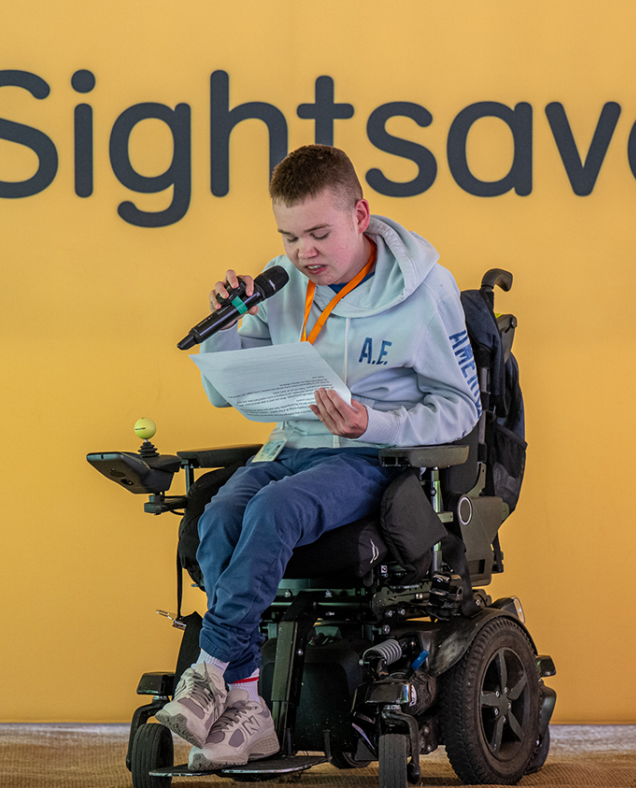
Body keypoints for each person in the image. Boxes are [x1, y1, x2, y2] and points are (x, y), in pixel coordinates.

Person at [155, 144, 480, 770]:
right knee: (217, 516)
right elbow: (226, 387)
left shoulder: (424, 290)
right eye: (290, 235)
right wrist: (230, 321)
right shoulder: (282, 279)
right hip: (289, 443)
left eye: (318, 233)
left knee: (277, 508)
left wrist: (371, 420)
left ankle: (212, 670)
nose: (303, 251)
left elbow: (460, 409)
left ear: (360, 214)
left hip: (368, 456)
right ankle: (249, 709)